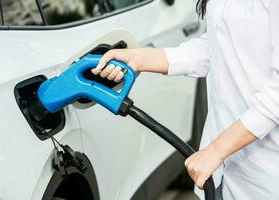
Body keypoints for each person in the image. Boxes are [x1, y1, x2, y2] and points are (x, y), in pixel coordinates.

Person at [91, 0, 279, 199]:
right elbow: (214, 45)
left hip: (264, 176)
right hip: (223, 170)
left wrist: (217, 150)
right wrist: (139, 58)